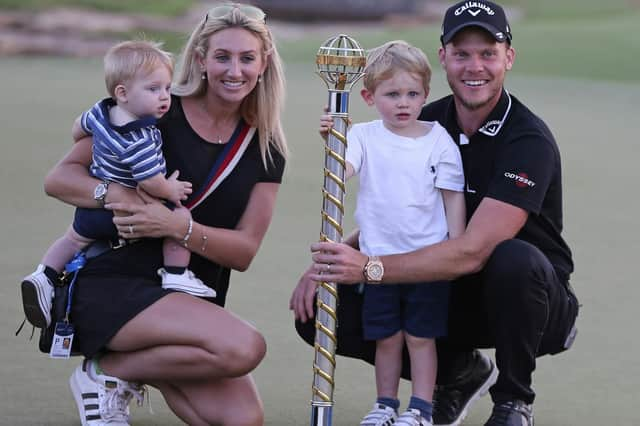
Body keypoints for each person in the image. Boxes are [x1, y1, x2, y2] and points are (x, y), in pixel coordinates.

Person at [291, 2, 579, 425]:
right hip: (445, 284)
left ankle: (513, 401)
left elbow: (473, 252)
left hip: (527, 302)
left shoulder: (527, 139)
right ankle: (457, 374)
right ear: (443, 57)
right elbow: (398, 208)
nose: (474, 66)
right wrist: (334, 259)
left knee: (513, 260)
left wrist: (368, 267)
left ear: (508, 58)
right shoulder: (423, 120)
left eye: (488, 53)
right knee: (321, 309)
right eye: (462, 53)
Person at [43, 3, 288, 425]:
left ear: (263, 63)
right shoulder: (157, 108)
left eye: (247, 58)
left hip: (186, 298)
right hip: (113, 281)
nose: (235, 70)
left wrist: (180, 227)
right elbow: (60, 178)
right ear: (201, 60)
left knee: (242, 419)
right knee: (245, 347)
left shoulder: (267, 150)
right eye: (222, 57)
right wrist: (118, 193)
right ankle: (107, 374)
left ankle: (115, 370)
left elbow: (244, 252)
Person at [20, 40, 218, 331]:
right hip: (126, 212)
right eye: (153, 89)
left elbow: (78, 127)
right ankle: (176, 272)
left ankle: (44, 274)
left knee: (72, 240)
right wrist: (171, 191)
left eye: (166, 88)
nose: (165, 97)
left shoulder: (101, 113)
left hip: (92, 209)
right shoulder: (140, 138)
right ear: (122, 93)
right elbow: (149, 180)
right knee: (180, 218)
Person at [333, 40, 465, 426]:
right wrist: (335, 136)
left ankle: (421, 409)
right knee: (386, 337)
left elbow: (452, 197)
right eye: (392, 94)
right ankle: (385, 405)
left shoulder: (438, 139)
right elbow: (343, 170)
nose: (403, 103)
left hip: (427, 262)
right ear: (369, 97)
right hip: (376, 260)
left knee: (420, 338)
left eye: (412, 94)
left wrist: (456, 248)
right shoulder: (363, 136)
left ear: (426, 93)